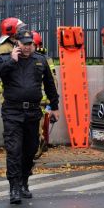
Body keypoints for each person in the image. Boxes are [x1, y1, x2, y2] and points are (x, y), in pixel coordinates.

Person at [0, 30, 59, 204]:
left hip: (32, 112)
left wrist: (55, 107)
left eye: (30, 44)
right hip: (12, 112)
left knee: (30, 150)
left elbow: (50, 85)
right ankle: (14, 188)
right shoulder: (6, 58)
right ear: (17, 43)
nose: (28, 47)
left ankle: (24, 182)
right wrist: (11, 61)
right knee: (14, 151)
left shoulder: (39, 60)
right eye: (24, 44)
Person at [31, 30, 58, 159]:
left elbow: (52, 82)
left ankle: (37, 149)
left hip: (40, 99)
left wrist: (52, 103)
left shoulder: (43, 60)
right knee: (38, 126)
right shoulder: (43, 58)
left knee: (36, 126)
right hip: (38, 98)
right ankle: (41, 144)